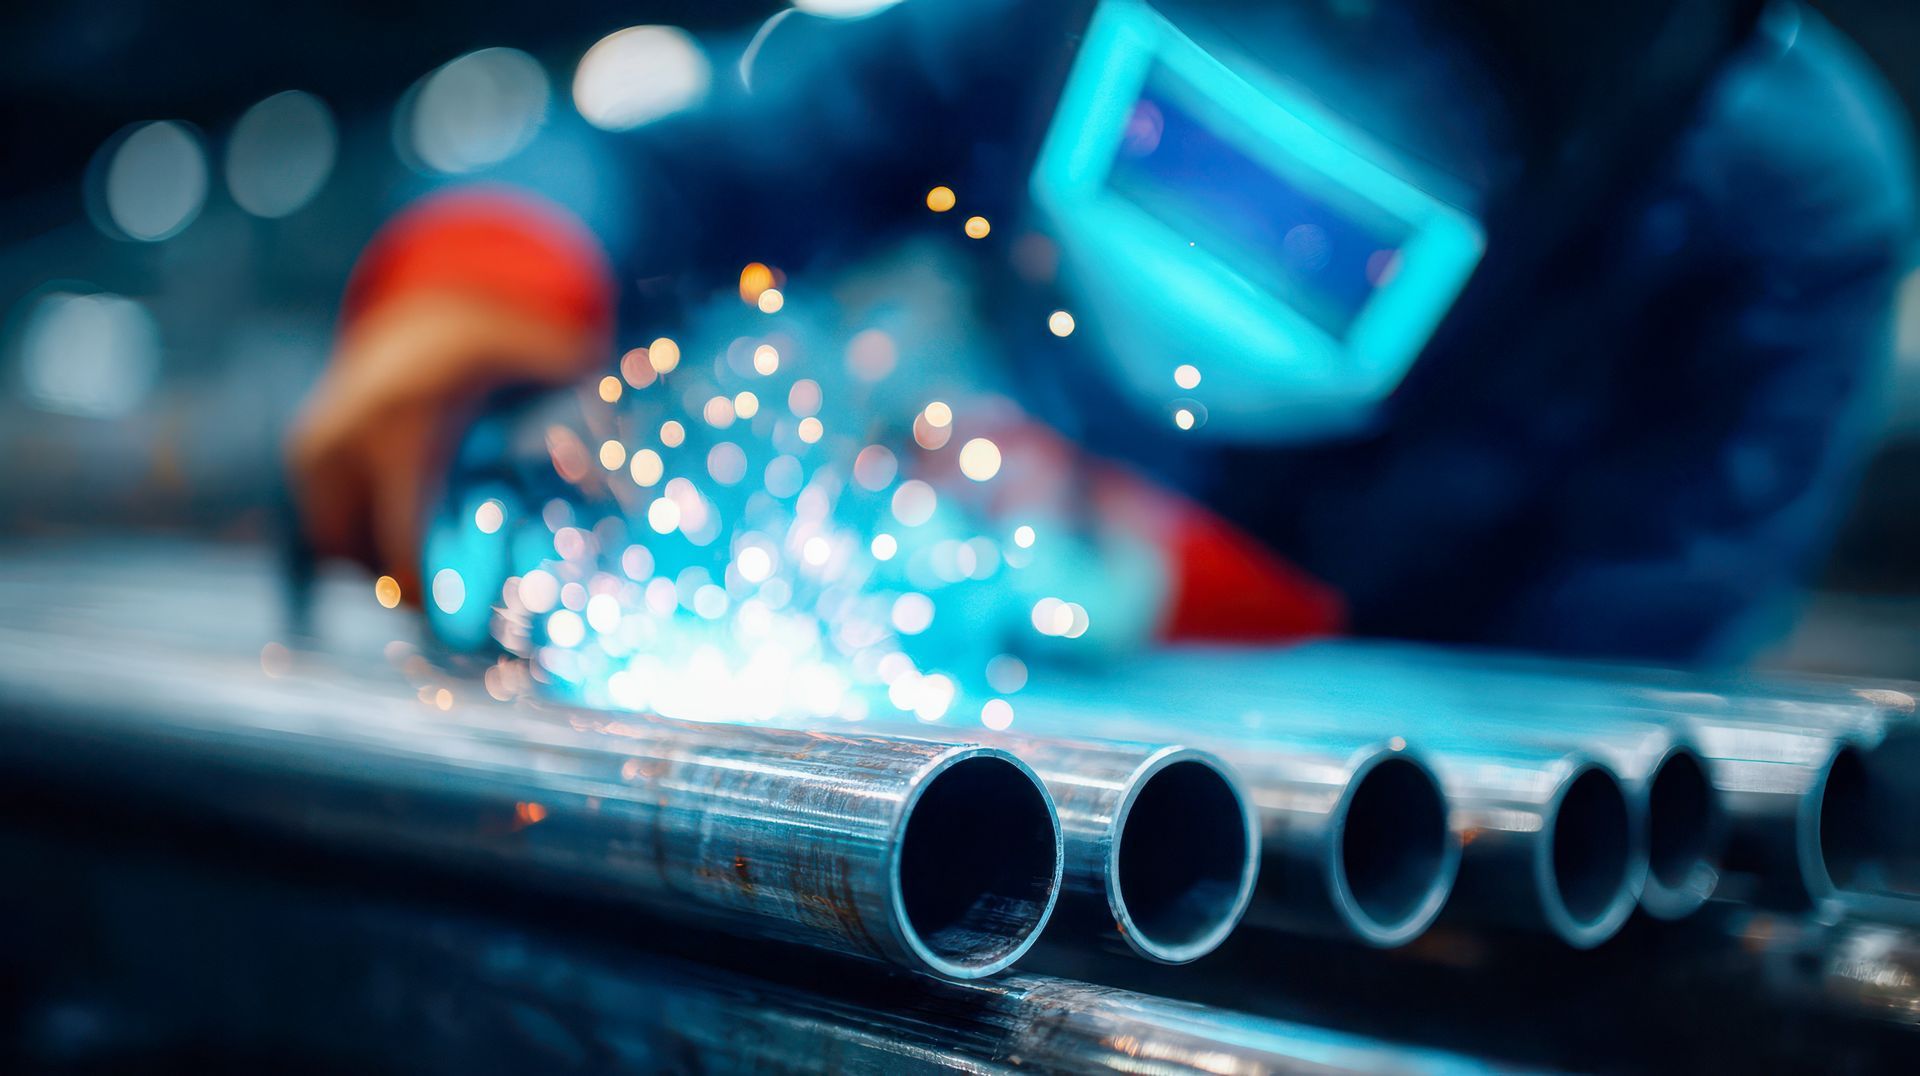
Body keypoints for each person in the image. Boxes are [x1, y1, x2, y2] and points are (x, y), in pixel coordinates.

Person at [288, 0, 1915, 665]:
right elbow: (703, 159)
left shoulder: (1776, 199)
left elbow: (1610, 722)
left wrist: (1187, 595)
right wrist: (480, 275)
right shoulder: (1035, 16)